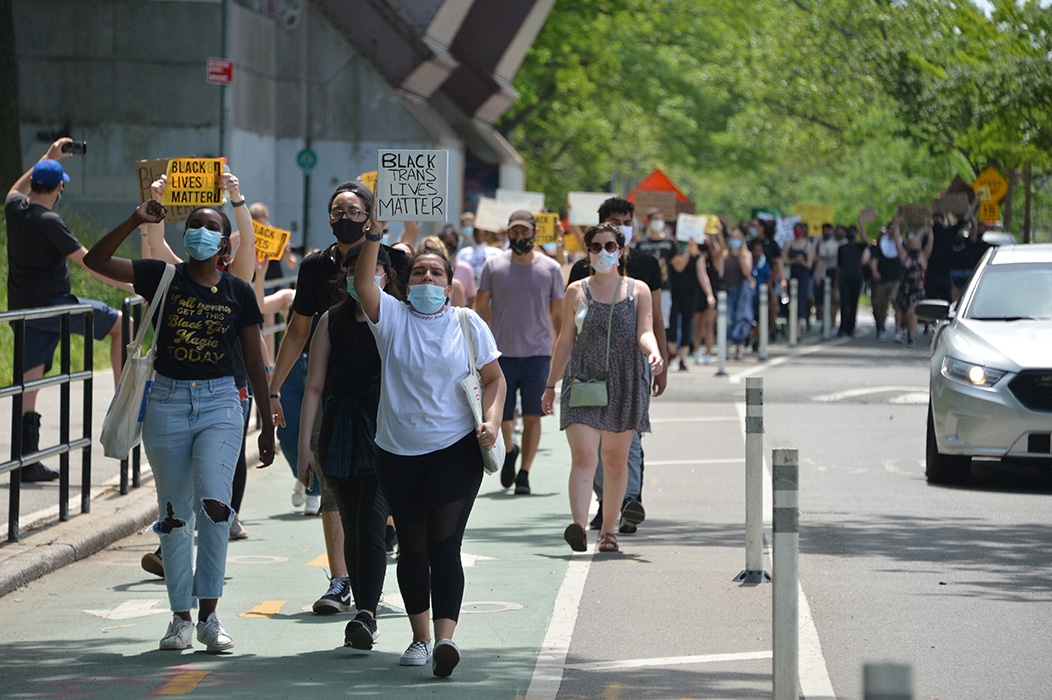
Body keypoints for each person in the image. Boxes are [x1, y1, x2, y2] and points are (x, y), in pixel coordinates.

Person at [83, 199, 275, 652]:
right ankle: (179, 618)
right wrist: (135, 219)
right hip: (166, 402)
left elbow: (252, 359)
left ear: (225, 243)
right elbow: (95, 261)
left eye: (211, 228)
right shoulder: (161, 276)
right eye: (194, 225)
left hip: (221, 404)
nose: (201, 232)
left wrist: (267, 424)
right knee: (173, 515)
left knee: (213, 504)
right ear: (184, 235)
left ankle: (209, 615)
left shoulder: (238, 292)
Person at [353, 221, 505, 677]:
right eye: (418, 273)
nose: (427, 280)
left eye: (436, 274)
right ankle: (419, 638)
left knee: (444, 546)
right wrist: (373, 235)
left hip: (456, 451)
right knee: (413, 550)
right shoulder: (392, 318)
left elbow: (495, 379)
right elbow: (363, 283)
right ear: (405, 281)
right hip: (397, 454)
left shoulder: (467, 322)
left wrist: (493, 421)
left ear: (451, 284)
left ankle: (444, 640)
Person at [269, 181, 401, 615]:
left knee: (388, 488)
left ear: (370, 214)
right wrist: (273, 386)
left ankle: (387, 561)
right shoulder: (313, 266)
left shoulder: (396, 259)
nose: (345, 217)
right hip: (334, 395)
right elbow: (297, 331)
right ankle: (341, 579)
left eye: (354, 210)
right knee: (333, 488)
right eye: (336, 211)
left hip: (390, 395)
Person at [5, 138, 133, 481]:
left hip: (22, 310)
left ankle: (25, 462)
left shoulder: (14, 210)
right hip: (54, 308)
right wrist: (134, 287)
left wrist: (48, 156)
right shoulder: (50, 221)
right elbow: (91, 262)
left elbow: (14, 190)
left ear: (35, 184)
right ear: (59, 188)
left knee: (29, 384)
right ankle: (122, 404)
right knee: (122, 323)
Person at [298, 241, 403, 651]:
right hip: (339, 432)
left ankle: (366, 615)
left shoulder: (400, 318)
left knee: (372, 524)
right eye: (354, 268)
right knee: (354, 526)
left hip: (386, 431)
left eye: (373, 267)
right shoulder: (330, 320)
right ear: (345, 275)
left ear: (387, 275)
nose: (363, 276)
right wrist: (306, 447)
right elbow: (314, 387)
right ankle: (364, 607)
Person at [543, 223, 663, 553]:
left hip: (626, 380)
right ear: (588, 253)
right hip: (583, 379)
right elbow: (566, 340)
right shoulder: (576, 290)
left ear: (621, 251)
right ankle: (579, 527)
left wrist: (653, 352)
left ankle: (608, 531)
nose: (604, 252)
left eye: (610, 246)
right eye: (596, 247)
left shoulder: (638, 289)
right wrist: (551, 385)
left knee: (614, 460)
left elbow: (645, 330)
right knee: (584, 457)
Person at [566, 197, 666, 534]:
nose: (606, 249)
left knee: (628, 443)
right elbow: (567, 330)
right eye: (612, 221)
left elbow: (653, 323)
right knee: (591, 445)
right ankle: (603, 502)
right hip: (588, 373)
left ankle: (628, 501)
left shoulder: (646, 268)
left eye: (624, 223)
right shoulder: (581, 272)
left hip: (629, 372)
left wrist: (659, 359)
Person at [474, 210, 565, 495]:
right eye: (515, 232)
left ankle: (524, 473)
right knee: (502, 416)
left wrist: (561, 352)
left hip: (538, 354)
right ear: (508, 233)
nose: (520, 237)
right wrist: (474, 349)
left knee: (533, 416)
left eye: (525, 232)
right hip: (499, 354)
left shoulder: (551, 269)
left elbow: (559, 316)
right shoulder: (493, 265)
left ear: (535, 233)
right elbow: (479, 310)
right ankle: (510, 449)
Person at [633, 207, 679, 357]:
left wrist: (691, 251)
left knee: (662, 321)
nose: (658, 222)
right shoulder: (641, 243)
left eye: (661, 219)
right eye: (655, 219)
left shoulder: (670, 241)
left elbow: (678, 264)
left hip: (663, 287)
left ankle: (661, 352)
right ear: (649, 221)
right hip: (643, 288)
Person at [718, 228, 755, 360]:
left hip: (742, 292)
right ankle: (727, 348)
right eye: (732, 238)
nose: (735, 241)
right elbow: (720, 272)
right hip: (728, 290)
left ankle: (739, 347)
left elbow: (747, 273)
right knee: (728, 319)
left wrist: (740, 257)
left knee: (741, 318)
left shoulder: (746, 254)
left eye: (737, 238)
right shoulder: (725, 254)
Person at [863, 218, 902, 342]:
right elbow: (874, 259)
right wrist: (875, 271)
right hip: (883, 279)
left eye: (894, 228)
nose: (892, 229)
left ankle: (898, 330)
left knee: (896, 303)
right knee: (881, 305)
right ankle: (882, 328)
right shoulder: (880, 244)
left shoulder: (901, 243)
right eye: (891, 227)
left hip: (897, 278)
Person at [893, 226, 932, 347]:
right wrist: (896, 226)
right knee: (903, 312)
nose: (915, 244)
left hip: (917, 288)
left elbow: (930, 243)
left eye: (916, 242)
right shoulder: (905, 256)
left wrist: (930, 228)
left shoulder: (923, 257)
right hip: (905, 287)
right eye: (912, 243)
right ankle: (903, 330)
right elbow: (897, 243)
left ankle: (912, 337)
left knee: (912, 312)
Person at [782, 222, 815, 341]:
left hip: (803, 277)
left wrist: (802, 262)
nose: (797, 232)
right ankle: (790, 330)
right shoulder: (788, 243)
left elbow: (810, 264)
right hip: (791, 276)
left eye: (799, 229)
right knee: (790, 304)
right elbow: (783, 260)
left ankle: (798, 332)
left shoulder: (808, 245)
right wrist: (794, 260)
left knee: (801, 303)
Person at [837, 222, 870, 337]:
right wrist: (837, 281)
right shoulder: (842, 248)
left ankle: (851, 327)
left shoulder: (859, 247)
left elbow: (867, 242)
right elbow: (839, 266)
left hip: (856, 277)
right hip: (844, 277)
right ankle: (843, 327)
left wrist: (861, 225)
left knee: (853, 303)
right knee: (844, 303)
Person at [455, 214, 501, 289]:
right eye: (477, 234)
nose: (480, 238)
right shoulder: (463, 253)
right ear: (474, 234)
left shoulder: (495, 253)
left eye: (482, 235)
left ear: (486, 236)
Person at [439, 223, 477, 307]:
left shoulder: (465, 268)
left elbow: (471, 299)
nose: (449, 245)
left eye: (452, 242)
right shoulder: (433, 267)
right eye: (446, 242)